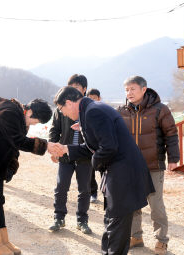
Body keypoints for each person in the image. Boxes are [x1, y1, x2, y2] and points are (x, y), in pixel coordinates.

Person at [50, 86, 154, 255]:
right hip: (117, 172)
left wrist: (93, 164)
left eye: (61, 109)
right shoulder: (90, 111)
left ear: (69, 103)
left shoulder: (93, 112)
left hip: (123, 174)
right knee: (111, 220)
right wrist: (66, 149)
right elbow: (94, 147)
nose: (62, 114)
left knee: (117, 224)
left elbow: (108, 148)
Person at [0, 97, 53, 255]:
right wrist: (46, 145)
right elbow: (18, 141)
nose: (35, 124)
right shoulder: (9, 114)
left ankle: (4, 241)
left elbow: (13, 147)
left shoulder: (20, 118)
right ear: (30, 111)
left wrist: (11, 168)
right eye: (36, 120)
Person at [118, 76, 179, 255]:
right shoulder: (121, 111)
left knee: (156, 205)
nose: (129, 93)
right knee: (133, 204)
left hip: (153, 165)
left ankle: (161, 240)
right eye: (126, 90)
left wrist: (173, 158)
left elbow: (172, 134)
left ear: (144, 89)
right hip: (130, 166)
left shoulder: (160, 110)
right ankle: (135, 236)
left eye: (132, 89)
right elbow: (108, 129)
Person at [48, 74, 93, 234]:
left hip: (85, 155)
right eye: (71, 88)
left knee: (85, 190)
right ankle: (58, 218)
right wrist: (53, 149)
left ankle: (82, 220)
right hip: (65, 154)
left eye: (77, 88)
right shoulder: (61, 109)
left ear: (84, 89)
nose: (73, 91)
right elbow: (54, 130)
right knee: (61, 187)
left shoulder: (90, 108)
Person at [86, 88, 101, 203]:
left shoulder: (103, 111)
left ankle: (108, 195)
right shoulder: (85, 112)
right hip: (89, 149)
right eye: (89, 98)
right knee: (90, 173)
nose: (91, 100)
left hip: (102, 148)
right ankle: (93, 193)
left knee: (104, 173)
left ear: (99, 98)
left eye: (94, 98)